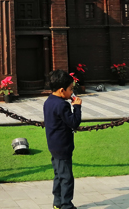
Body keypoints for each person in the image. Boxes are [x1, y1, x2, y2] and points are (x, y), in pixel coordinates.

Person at [43, 70, 82, 209]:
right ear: (61, 90)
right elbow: (74, 122)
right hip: (62, 146)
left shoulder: (49, 101)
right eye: (70, 89)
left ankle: (58, 202)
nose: (72, 93)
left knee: (59, 175)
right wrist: (77, 106)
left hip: (53, 144)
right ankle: (66, 205)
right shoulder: (62, 105)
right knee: (66, 177)